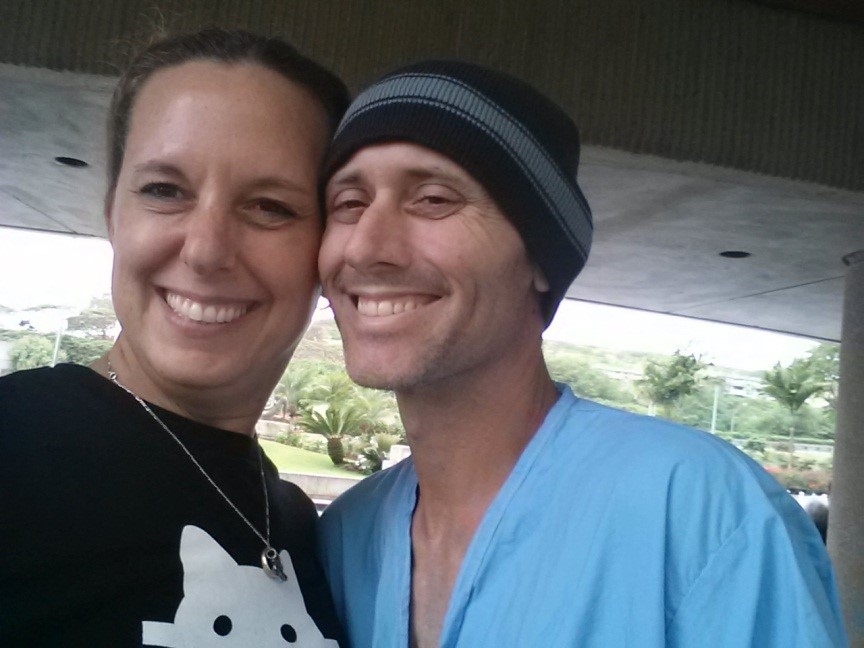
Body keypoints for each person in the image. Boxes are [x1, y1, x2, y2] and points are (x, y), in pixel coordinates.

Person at [316, 61, 848, 647]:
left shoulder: (700, 512)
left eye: (434, 199)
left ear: (541, 258)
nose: (366, 245)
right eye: (348, 203)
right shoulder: (345, 536)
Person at [0, 29, 348, 646]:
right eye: (164, 190)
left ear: (329, 247)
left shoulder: (301, 526)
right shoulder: (14, 445)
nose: (206, 249)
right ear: (113, 214)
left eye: (270, 206)